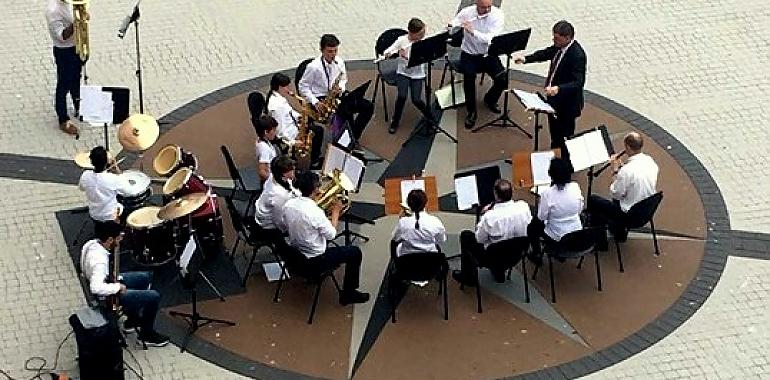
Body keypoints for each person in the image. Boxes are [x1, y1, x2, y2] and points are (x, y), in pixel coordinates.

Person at [281, 171, 370, 305]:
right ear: (315, 189)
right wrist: (335, 212)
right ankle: (349, 293)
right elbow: (331, 235)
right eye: (318, 186)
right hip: (316, 259)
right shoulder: (315, 212)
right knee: (355, 252)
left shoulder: (288, 204)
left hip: (296, 252)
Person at [80, 221, 169, 346]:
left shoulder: (91, 244)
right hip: (108, 297)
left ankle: (132, 320)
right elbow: (95, 287)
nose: (121, 240)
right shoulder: (99, 262)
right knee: (154, 296)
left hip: (109, 280)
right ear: (110, 239)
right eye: (118, 237)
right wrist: (117, 287)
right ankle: (147, 334)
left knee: (144, 277)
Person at [515, 20, 587, 154]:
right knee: (554, 132)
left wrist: (558, 88)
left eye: (557, 39)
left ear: (568, 38)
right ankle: (555, 153)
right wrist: (526, 59)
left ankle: (564, 161)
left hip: (567, 105)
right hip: (553, 100)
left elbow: (578, 82)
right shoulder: (559, 47)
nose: (554, 41)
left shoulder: (577, 55)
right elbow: (546, 53)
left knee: (564, 135)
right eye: (554, 37)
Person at [588, 132, 659, 249]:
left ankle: (600, 242)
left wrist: (616, 171)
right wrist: (622, 170)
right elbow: (634, 179)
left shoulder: (626, 171)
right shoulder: (650, 161)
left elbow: (616, 194)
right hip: (646, 208)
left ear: (627, 147)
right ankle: (619, 233)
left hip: (629, 215)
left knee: (593, 200)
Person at [453, 179, 532, 285]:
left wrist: (483, 216)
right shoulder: (523, 207)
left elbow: (480, 239)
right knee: (505, 245)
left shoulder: (489, 217)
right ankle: (499, 271)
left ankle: (468, 277)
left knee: (466, 236)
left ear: (496, 194)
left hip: (492, 257)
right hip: (516, 254)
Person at [298, 34, 374, 144]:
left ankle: (353, 136)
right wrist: (315, 102)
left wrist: (341, 88)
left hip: (337, 95)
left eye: (335, 51)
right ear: (322, 50)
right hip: (321, 98)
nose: (333, 55)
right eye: (329, 51)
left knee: (368, 107)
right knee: (345, 112)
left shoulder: (339, 62)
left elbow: (343, 78)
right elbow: (303, 86)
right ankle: (345, 140)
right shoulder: (313, 67)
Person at [449, 0, 506, 129]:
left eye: (489, 7)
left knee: (502, 79)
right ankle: (471, 111)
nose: (486, 10)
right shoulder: (468, 12)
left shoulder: (497, 15)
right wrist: (451, 25)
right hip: (469, 54)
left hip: (488, 54)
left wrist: (473, 31)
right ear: (476, 4)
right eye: (483, 7)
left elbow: (490, 38)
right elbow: (456, 20)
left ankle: (490, 100)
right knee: (469, 79)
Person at [381, 18, 437, 134]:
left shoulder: (423, 42)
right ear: (412, 33)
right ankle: (395, 121)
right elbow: (388, 51)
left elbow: (429, 53)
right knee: (402, 96)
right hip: (403, 72)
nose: (423, 36)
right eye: (420, 34)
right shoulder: (402, 40)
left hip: (417, 74)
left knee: (416, 99)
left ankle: (431, 118)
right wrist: (395, 53)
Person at [527, 157, 584, 262]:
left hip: (557, 236)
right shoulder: (575, 187)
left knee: (532, 228)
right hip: (576, 232)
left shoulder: (547, 194)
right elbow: (579, 209)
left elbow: (542, 217)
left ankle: (537, 254)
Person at [266, 73, 325, 168]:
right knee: (318, 131)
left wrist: (299, 117)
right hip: (291, 135)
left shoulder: (278, 98)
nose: (288, 89)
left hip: (294, 126)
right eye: (286, 86)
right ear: (279, 87)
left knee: (314, 126)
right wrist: (294, 141)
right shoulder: (277, 107)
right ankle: (314, 162)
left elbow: (290, 111)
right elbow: (281, 130)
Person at [391, 189, 448, 279]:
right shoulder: (435, 221)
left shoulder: (403, 223)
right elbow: (441, 240)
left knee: (396, 246)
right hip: (431, 266)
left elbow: (395, 240)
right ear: (425, 203)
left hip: (407, 264)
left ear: (409, 205)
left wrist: (401, 220)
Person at [46, 0, 83, 136]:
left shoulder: (70, 2)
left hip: (76, 46)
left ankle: (79, 106)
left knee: (76, 79)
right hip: (64, 52)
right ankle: (63, 119)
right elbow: (61, 36)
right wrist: (78, 23)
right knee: (64, 84)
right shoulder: (53, 10)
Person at [78, 146, 131, 223]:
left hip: (94, 214)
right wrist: (118, 171)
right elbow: (128, 190)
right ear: (107, 162)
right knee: (125, 205)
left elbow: (81, 188)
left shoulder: (85, 175)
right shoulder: (113, 179)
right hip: (110, 216)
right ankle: (118, 225)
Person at [253, 156, 297, 242]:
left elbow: (291, 188)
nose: (294, 171)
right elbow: (279, 221)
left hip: (265, 213)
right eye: (292, 170)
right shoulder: (278, 195)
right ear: (284, 174)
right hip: (268, 227)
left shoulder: (275, 176)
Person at [254, 115, 280, 183]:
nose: (275, 132)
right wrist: (277, 182)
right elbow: (262, 172)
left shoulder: (261, 140)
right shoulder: (264, 148)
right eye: (273, 130)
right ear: (266, 132)